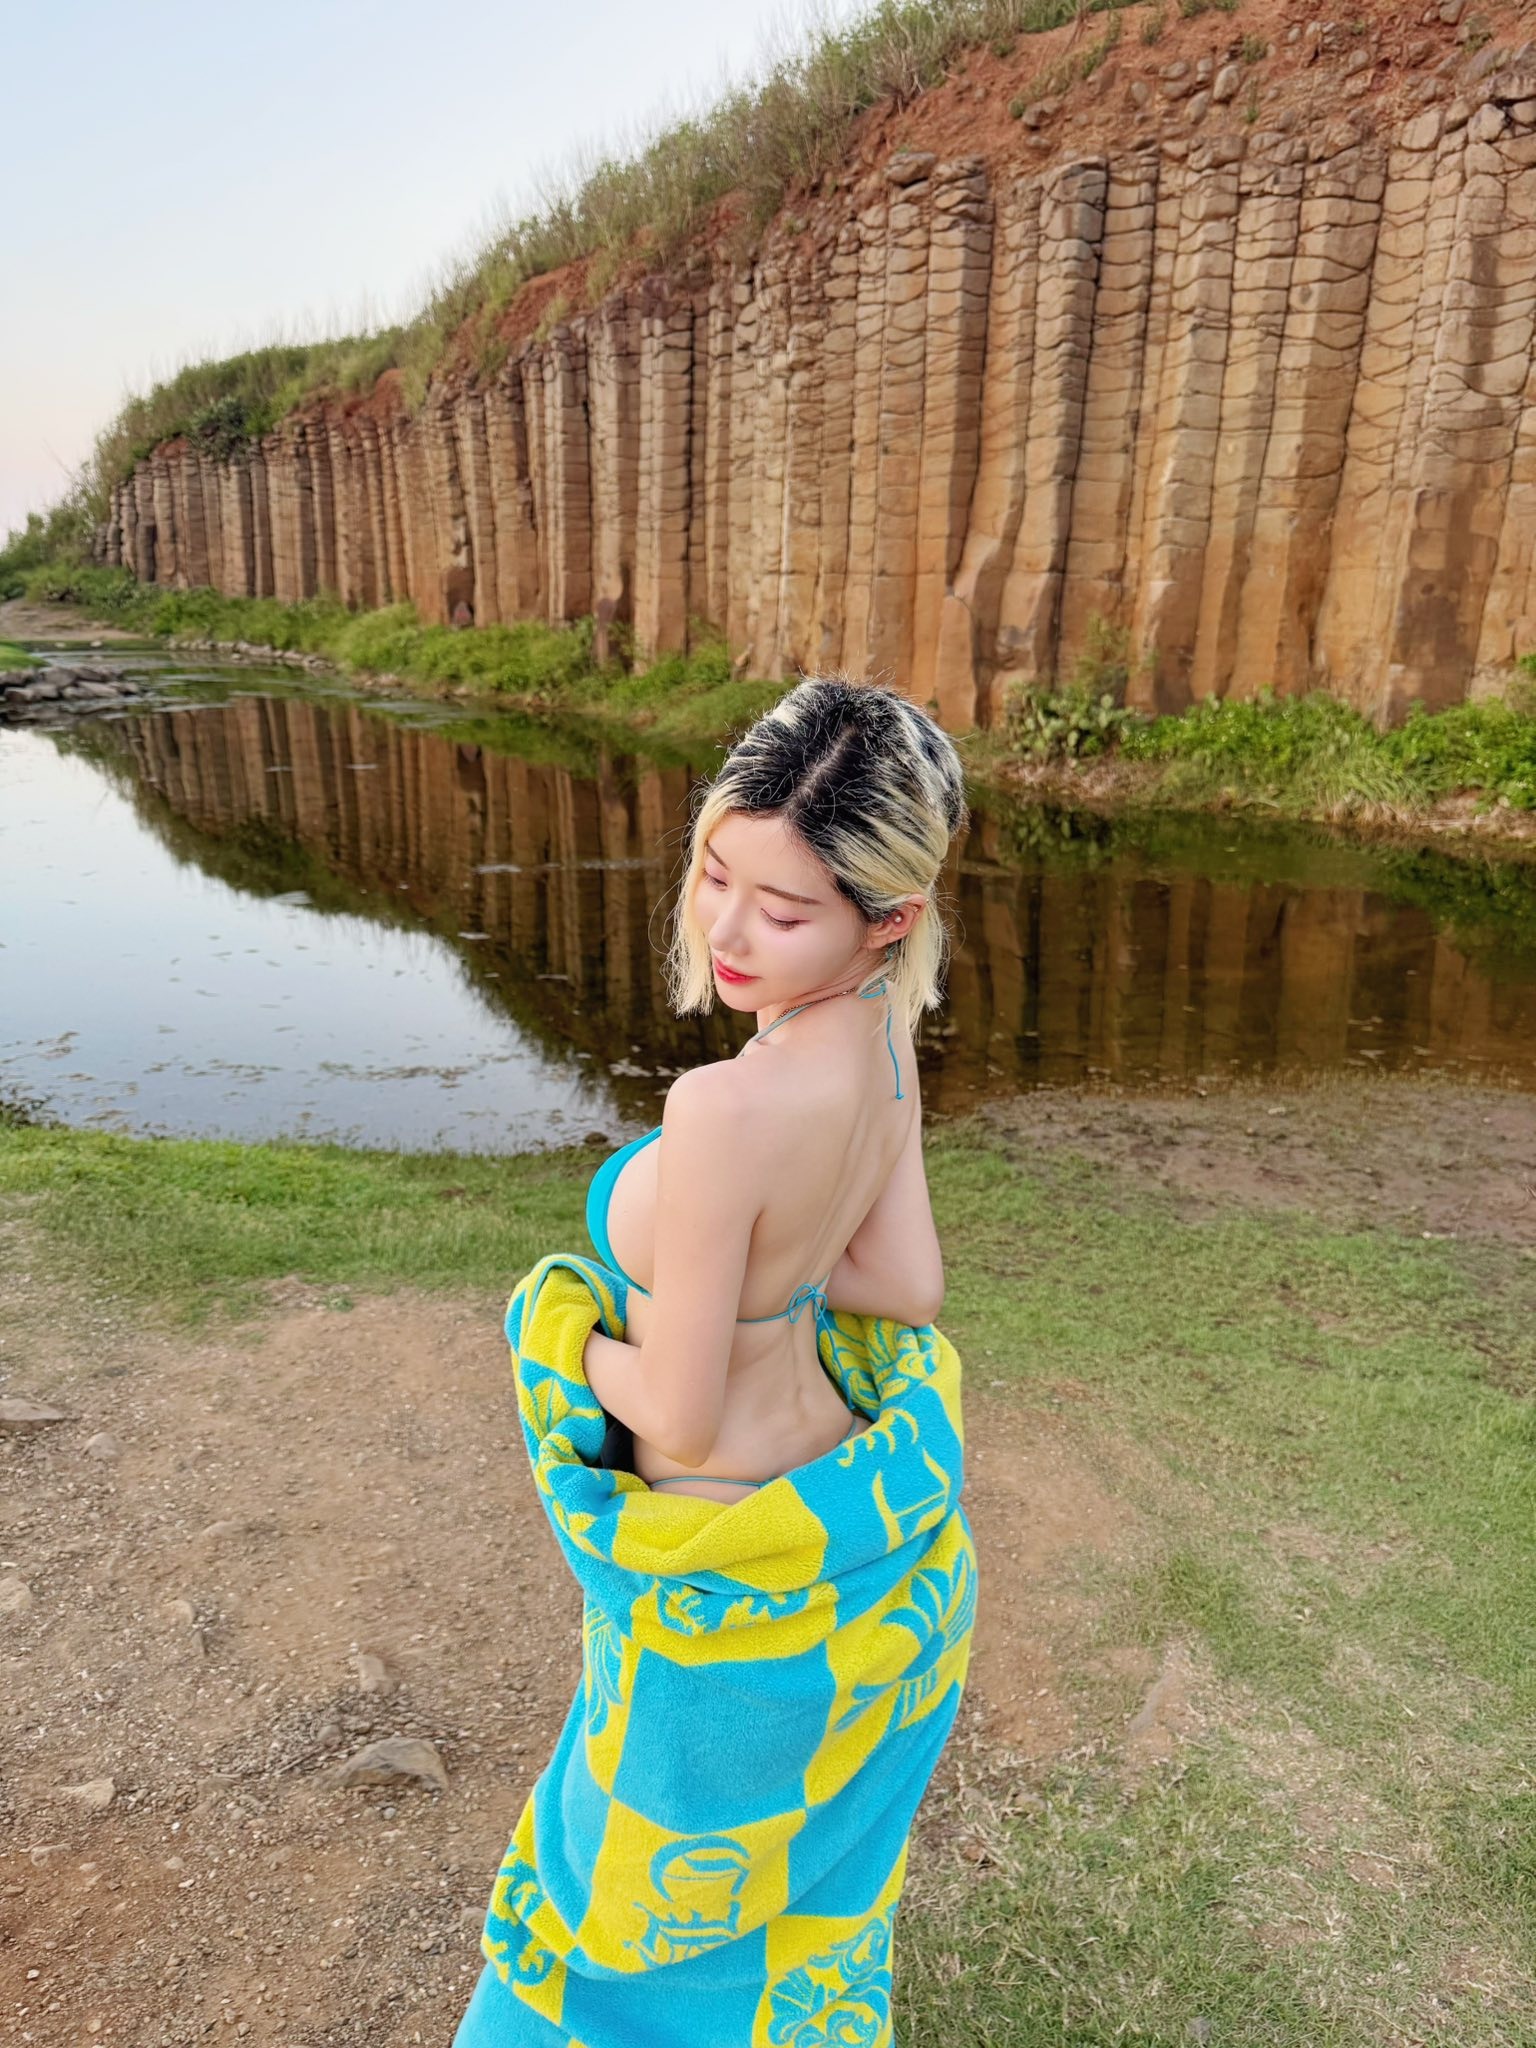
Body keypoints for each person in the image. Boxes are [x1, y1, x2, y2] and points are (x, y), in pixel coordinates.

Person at [455, 675, 974, 2047]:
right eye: (714, 874)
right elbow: (906, 1285)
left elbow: (678, 1413)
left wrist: (555, 1333)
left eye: (784, 911)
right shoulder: (880, 1038)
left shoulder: (724, 1106)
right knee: (780, 1935)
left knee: (609, 1951)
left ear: (891, 917)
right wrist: (763, 1277)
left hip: (715, 1577)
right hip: (839, 1537)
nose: (728, 931)